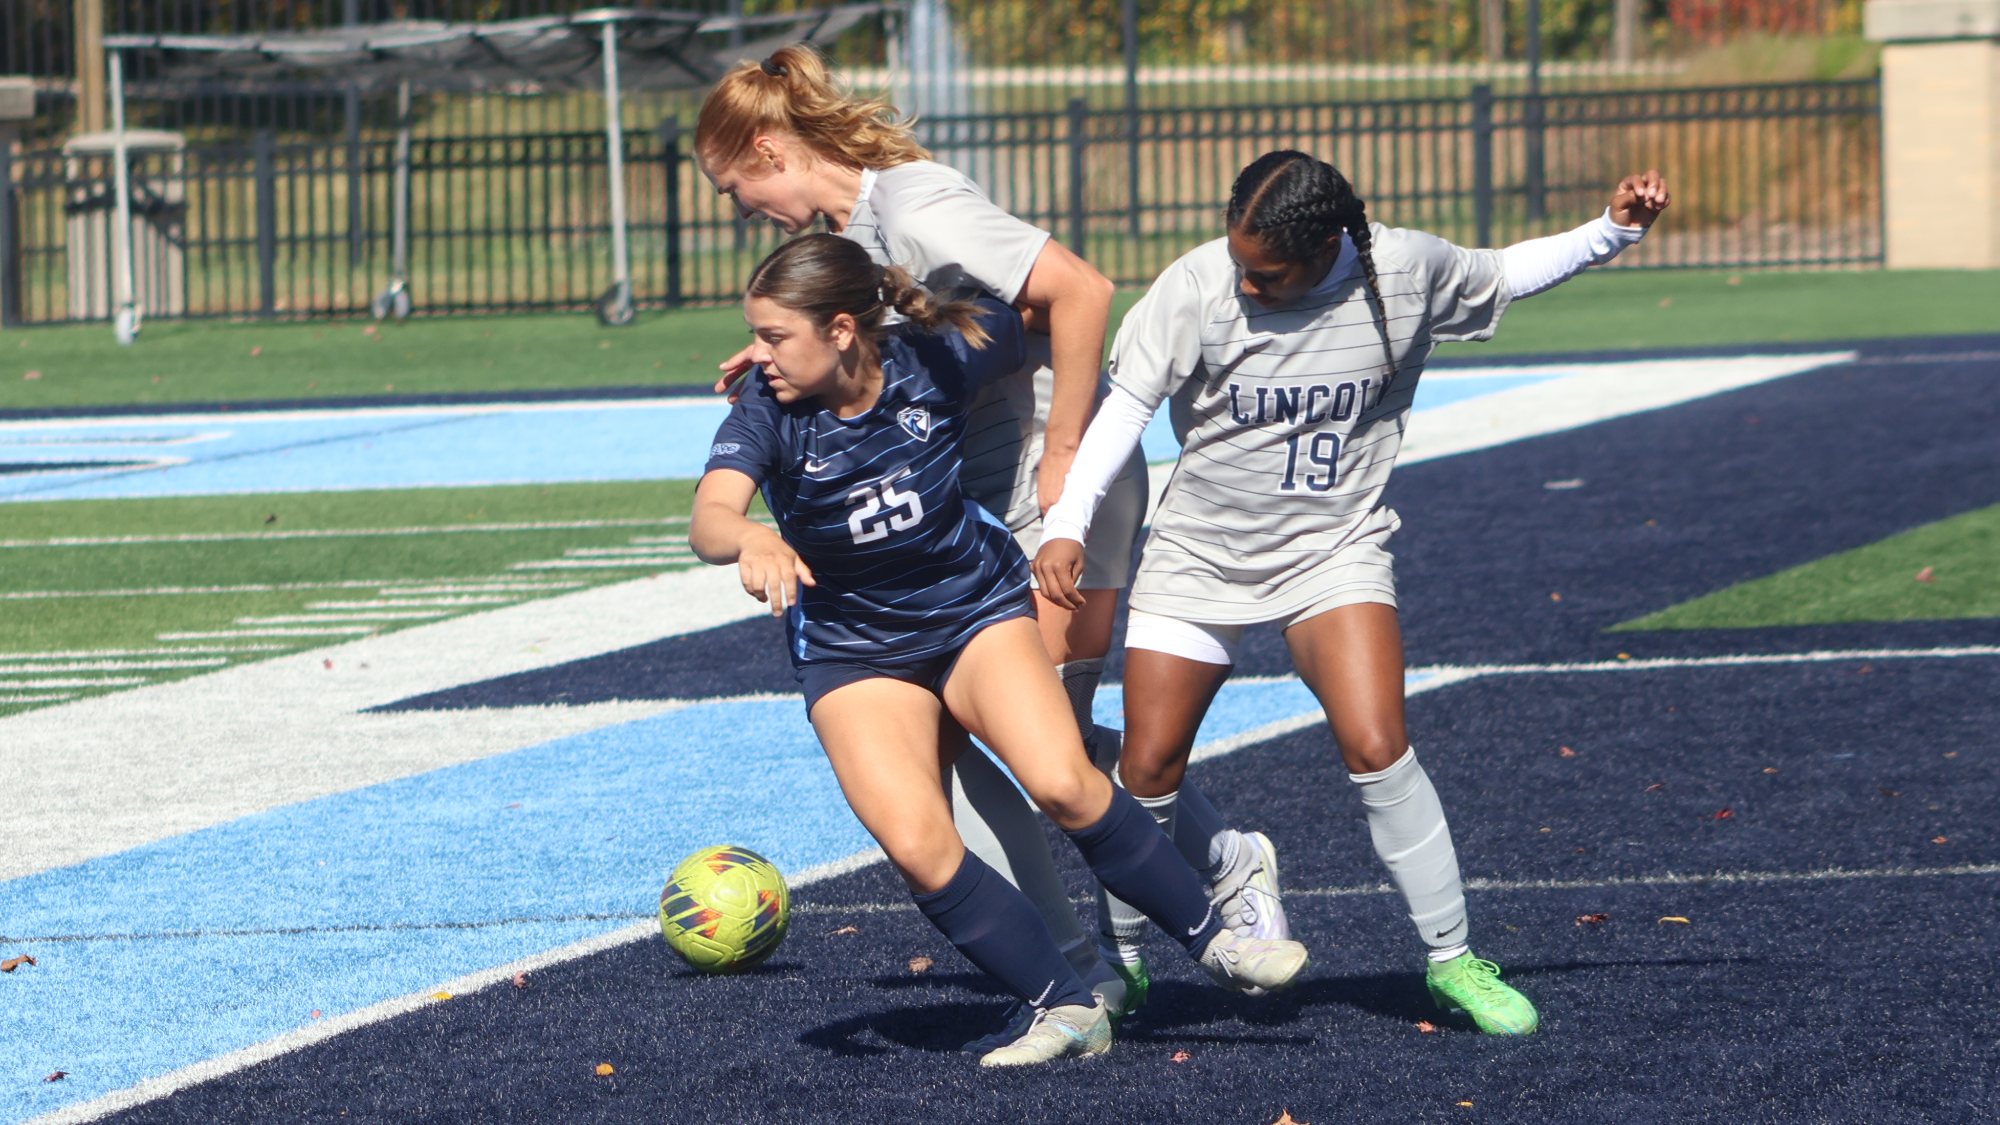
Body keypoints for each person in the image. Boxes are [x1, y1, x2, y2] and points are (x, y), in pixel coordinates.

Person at [1034, 151, 1671, 1034]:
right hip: (1200, 558)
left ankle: (1453, 960)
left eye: (1268, 272)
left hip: (1336, 547)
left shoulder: (1403, 270)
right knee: (1147, 771)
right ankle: (1125, 962)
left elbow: (1508, 272)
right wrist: (1069, 518)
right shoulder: (1195, 288)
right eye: (1240, 264)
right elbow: (1127, 410)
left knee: (1378, 743)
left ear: (1331, 243)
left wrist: (1612, 231)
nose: (1247, 284)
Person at [689, 233, 1310, 1066]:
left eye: (773, 335)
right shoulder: (766, 408)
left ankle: (1217, 939)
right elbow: (709, 517)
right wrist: (748, 536)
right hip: (855, 649)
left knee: (1063, 782)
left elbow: (1050, 301)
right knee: (918, 845)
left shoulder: (936, 354)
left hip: (974, 610)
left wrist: (1063, 452)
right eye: (757, 335)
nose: (754, 355)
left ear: (843, 329)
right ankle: (1064, 1007)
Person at [693, 44, 1199, 1029]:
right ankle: (1087, 965)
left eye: (733, 188)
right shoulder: (861, 223)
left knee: (1039, 746)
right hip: (979, 474)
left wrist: (1063, 462)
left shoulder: (914, 204)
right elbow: (900, 319)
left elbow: (1080, 294)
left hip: (1041, 475)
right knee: (989, 736)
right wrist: (785, 346)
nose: (740, 211)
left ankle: (1199, 890)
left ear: (764, 148)